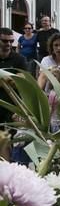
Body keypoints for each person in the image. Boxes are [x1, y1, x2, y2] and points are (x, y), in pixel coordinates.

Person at [0, 27, 28, 160]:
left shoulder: (19, 59)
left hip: (12, 105)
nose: (8, 44)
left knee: (12, 140)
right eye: (4, 41)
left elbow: (22, 81)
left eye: (11, 41)